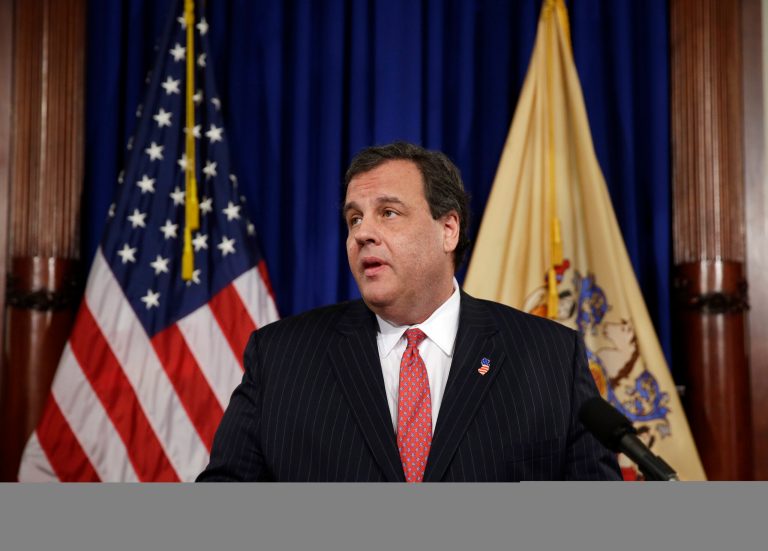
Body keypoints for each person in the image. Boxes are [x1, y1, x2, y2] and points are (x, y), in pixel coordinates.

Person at [197, 141, 621, 481]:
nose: (363, 233)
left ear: (448, 230)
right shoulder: (281, 358)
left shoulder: (549, 357)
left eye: (388, 213)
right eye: (354, 219)